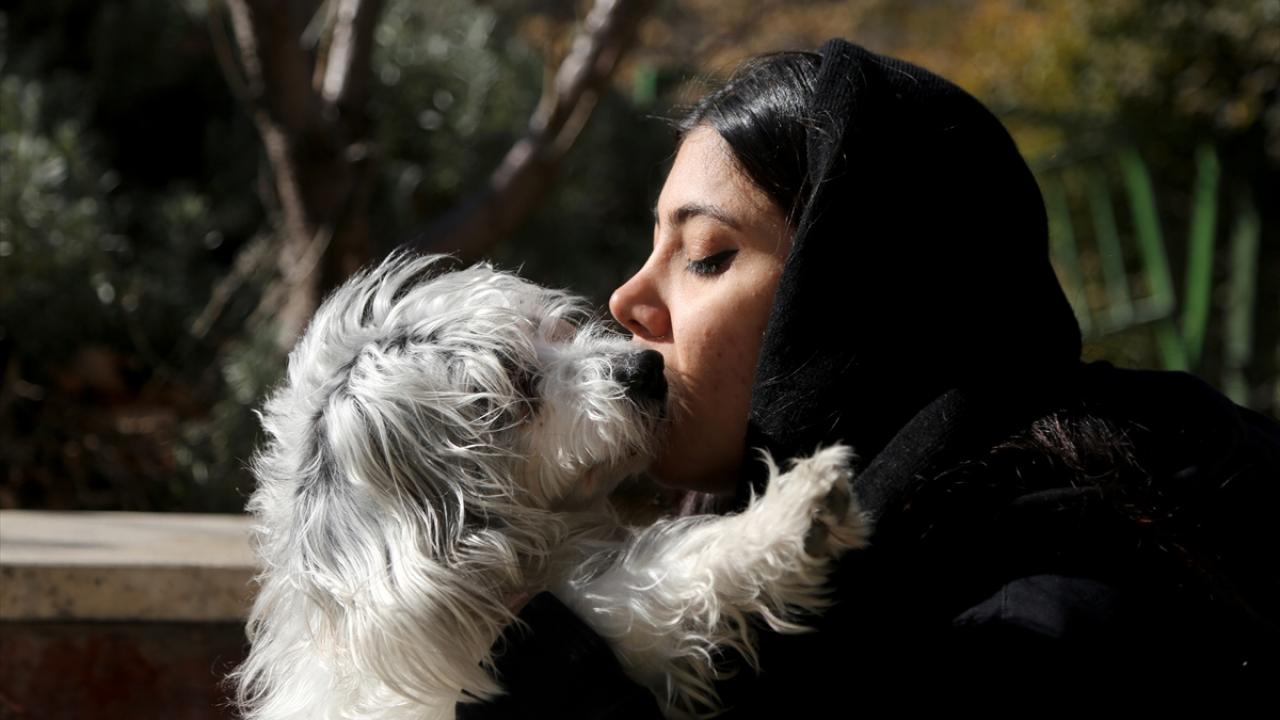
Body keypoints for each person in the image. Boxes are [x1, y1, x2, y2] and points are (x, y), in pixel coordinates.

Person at [458, 39, 1280, 716]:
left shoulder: (1029, 636)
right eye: (652, 248)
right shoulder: (791, 600)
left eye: (706, 256)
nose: (627, 299)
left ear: (856, 295)